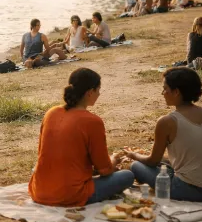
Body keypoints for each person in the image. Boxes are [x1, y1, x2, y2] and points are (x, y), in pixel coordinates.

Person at [29, 68, 134, 206]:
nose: (99, 94)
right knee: (127, 176)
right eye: (98, 90)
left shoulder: (51, 112)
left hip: (39, 191)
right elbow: (105, 170)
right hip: (69, 195)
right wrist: (114, 159)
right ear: (90, 92)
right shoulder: (92, 121)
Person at [125, 68, 202, 201]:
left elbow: (152, 161)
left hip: (188, 190)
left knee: (136, 166)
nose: (163, 93)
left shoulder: (167, 121)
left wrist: (134, 155)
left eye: (165, 88)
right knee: (165, 164)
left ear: (176, 92)